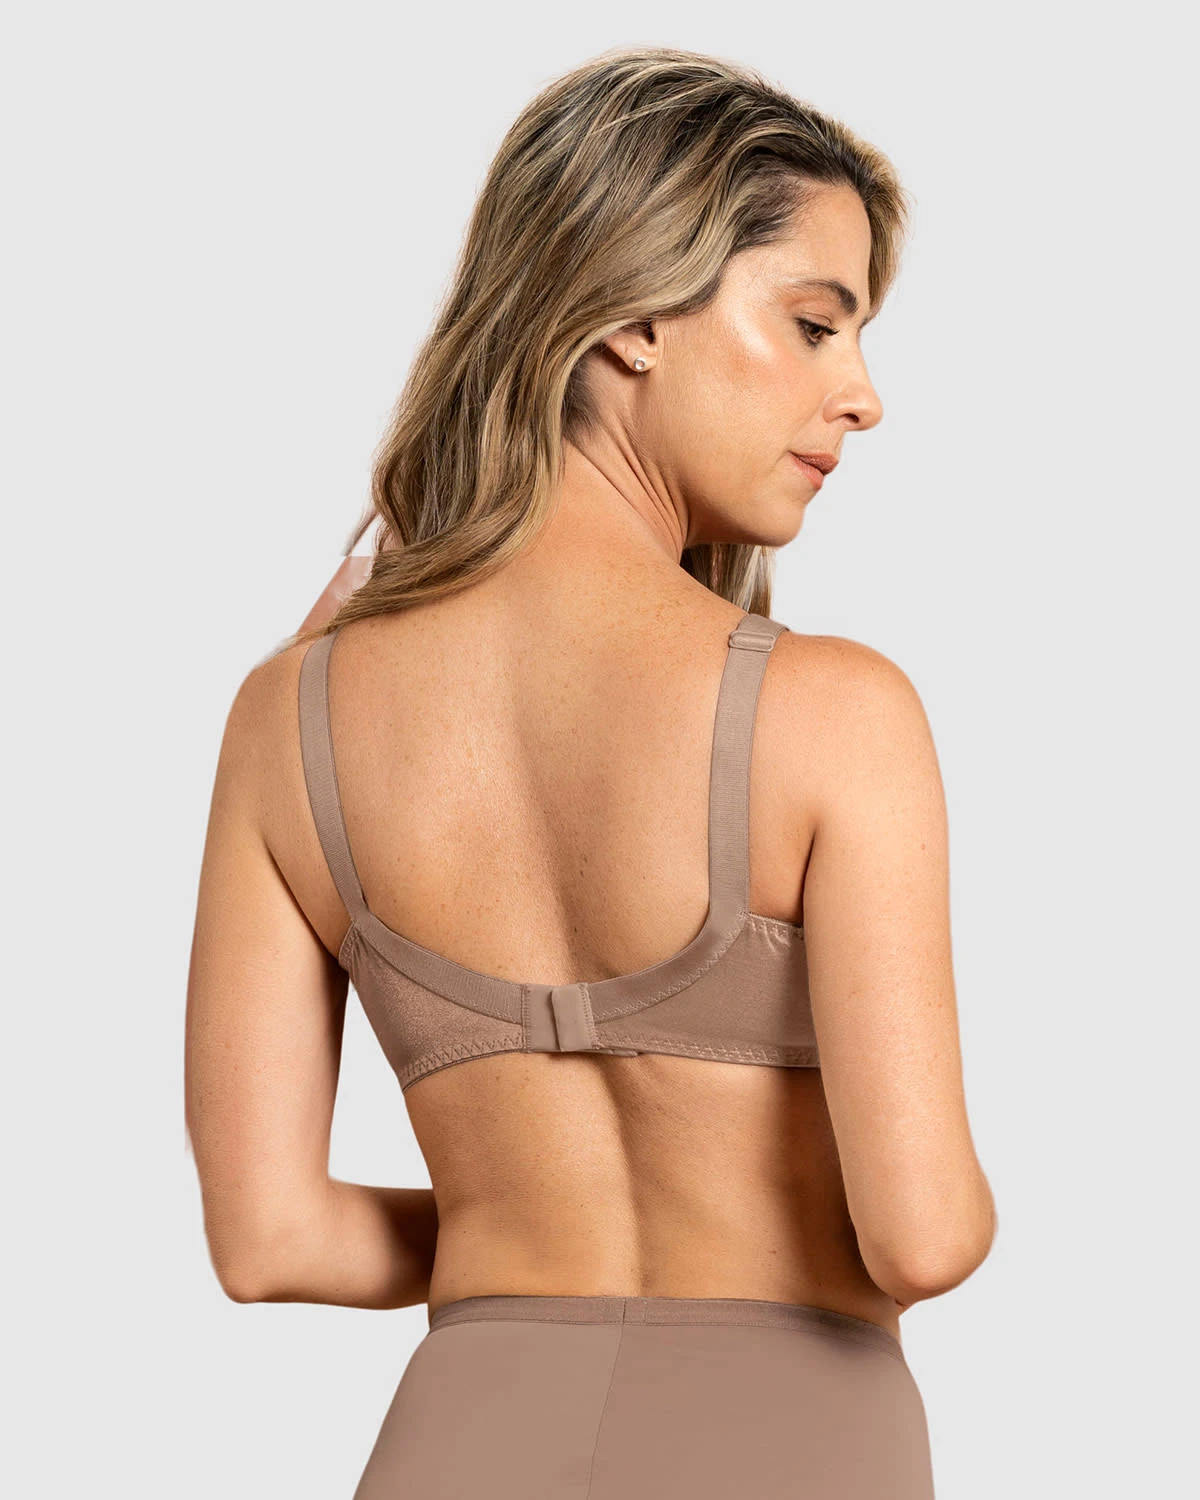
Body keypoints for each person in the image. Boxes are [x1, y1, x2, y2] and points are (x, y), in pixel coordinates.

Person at [185, 44, 996, 1499]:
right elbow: (922, 1234)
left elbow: (269, 1241)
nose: (863, 396)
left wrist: (518, 1232)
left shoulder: (281, 723)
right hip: (790, 1448)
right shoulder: (831, 711)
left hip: (459, 1439)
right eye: (816, 325)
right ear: (633, 317)